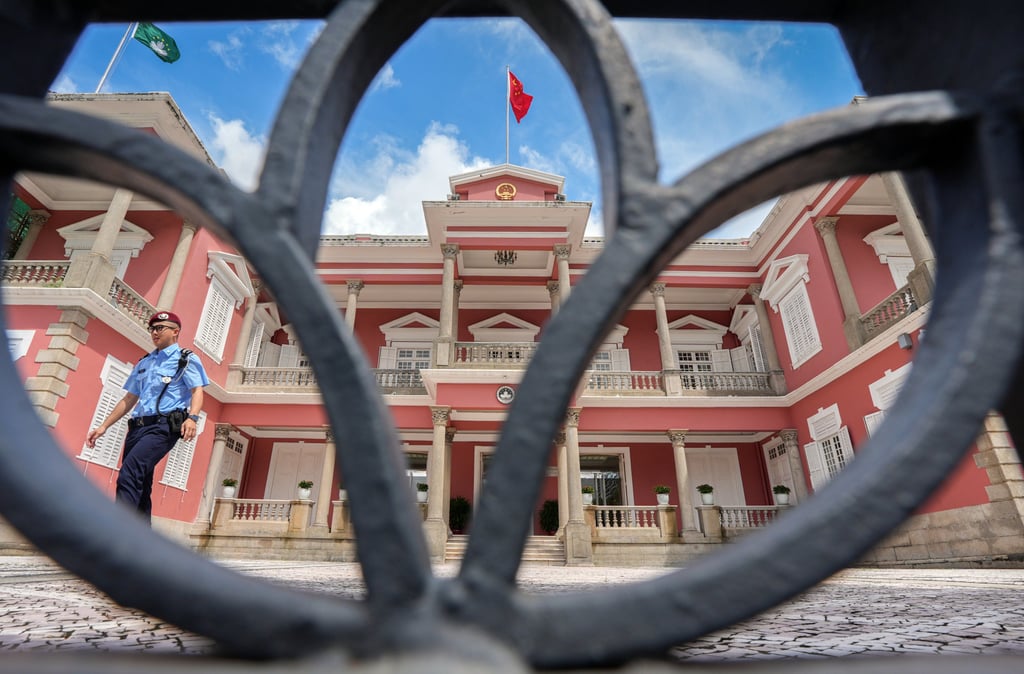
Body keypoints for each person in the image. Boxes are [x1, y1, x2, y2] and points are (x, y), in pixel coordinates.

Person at [86, 311, 209, 523]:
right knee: (141, 482)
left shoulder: (185, 359)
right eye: (152, 328)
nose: (154, 332)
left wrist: (193, 418)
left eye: (160, 328)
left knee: (129, 474)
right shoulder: (145, 362)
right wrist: (104, 426)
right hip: (137, 428)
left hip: (163, 427)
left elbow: (197, 390)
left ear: (175, 331)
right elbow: (129, 398)